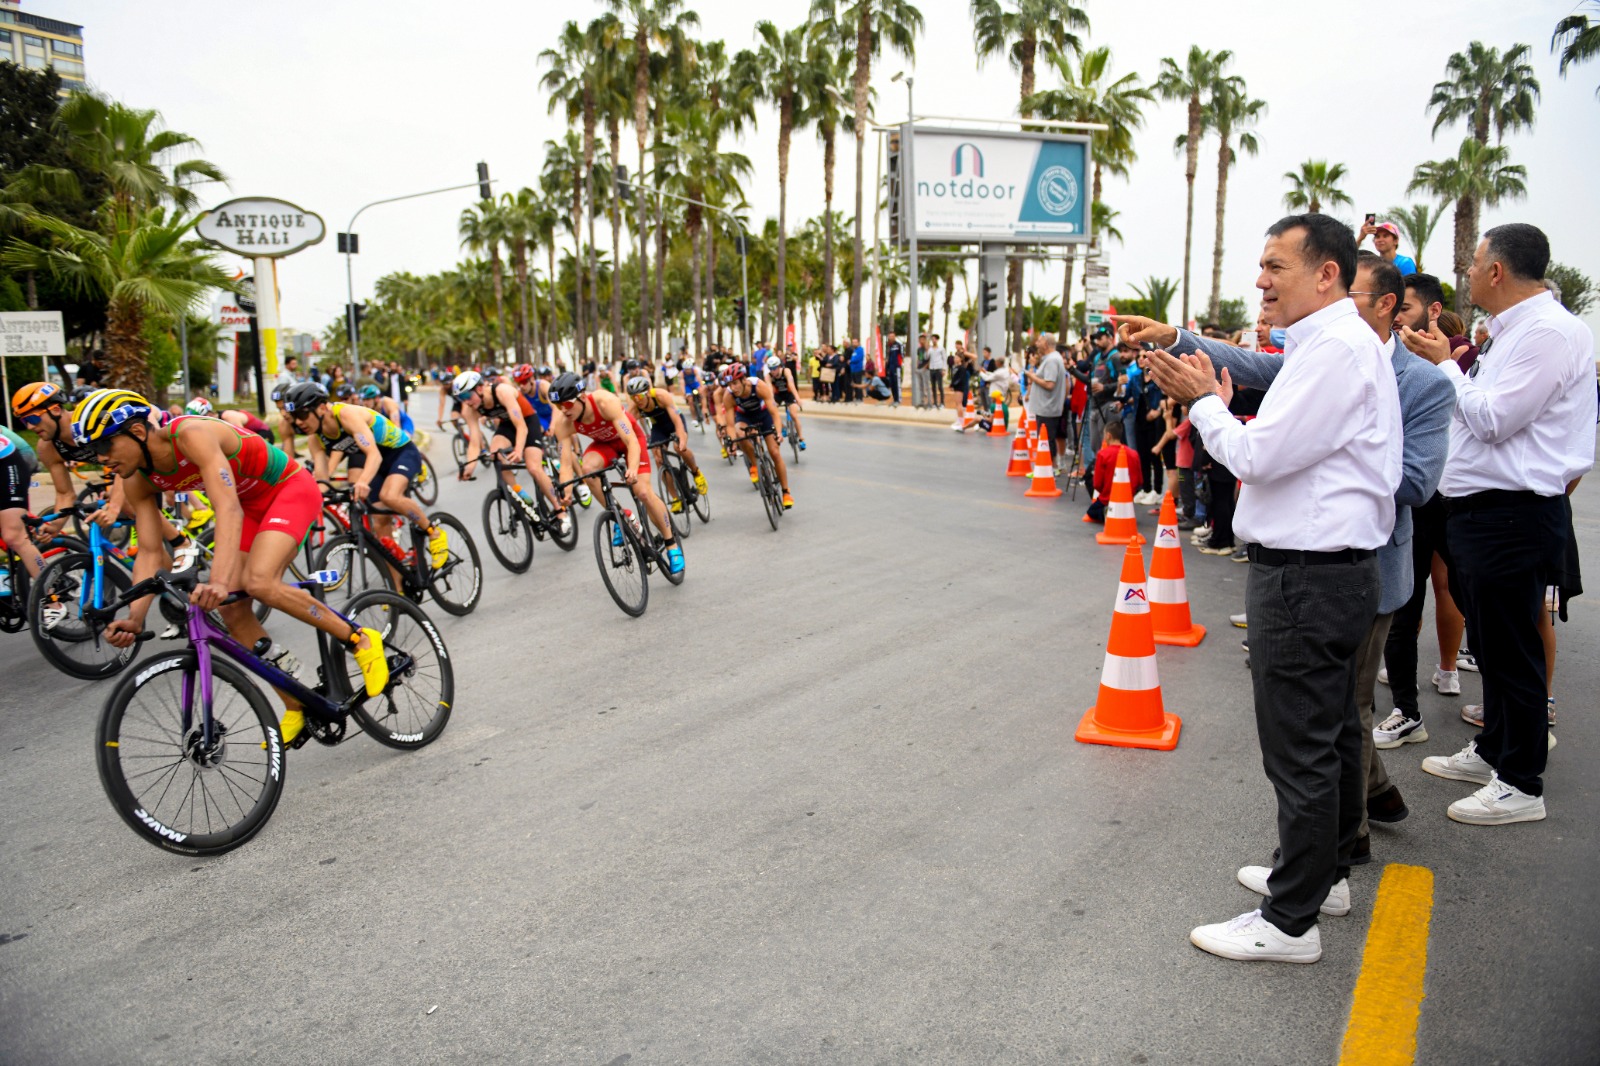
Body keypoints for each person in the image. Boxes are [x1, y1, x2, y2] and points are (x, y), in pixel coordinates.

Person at [1141, 213, 1401, 964]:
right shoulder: (1333, 344)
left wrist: (1203, 403)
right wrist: (1198, 372)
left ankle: (1290, 922)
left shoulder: (1337, 350)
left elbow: (1259, 455)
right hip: (1331, 571)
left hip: (1308, 577)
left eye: (1274, 266)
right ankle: (1325, 876)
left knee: (1301, 750)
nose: (1260, 281)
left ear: (1326, 274)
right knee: (1333, 735)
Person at [1399, 223, 1596, 825]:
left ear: (1498, 271)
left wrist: (1446, 367)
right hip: (1482, 513)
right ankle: (1495, 752)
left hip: (1513, 513)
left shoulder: (1550, 333)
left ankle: (1521, 782)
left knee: (1513, 651)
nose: (1469, 272)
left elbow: (1492, 420)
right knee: (1493, 644)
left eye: (1476, 261)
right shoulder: (1511, 332)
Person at [78, 389, 389, 746]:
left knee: (259, 582)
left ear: (135, 432)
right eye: (93, 453)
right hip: (251, 507)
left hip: (286, 489)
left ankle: (360, 638)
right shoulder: (136, 478)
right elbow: (149, 551)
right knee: (232, 612)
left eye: (105, 447)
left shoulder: (189, 434)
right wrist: (135, 618)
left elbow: (227, 510)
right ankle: (296, 704)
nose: (102, 460)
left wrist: (220, 581)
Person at [283, 382, 448, 570]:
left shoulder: (345, 415)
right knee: (380, 524)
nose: (298, 422)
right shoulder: (315, 439)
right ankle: (398, 592)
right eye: (294, 417)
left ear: (321, 408)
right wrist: (316, 498)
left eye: (302, 415)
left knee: (390, 495)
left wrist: (362, 482)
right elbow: (322, 478)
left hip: (399, 452)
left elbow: (373, 455)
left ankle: (433, 532)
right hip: (378, 463)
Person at [548, 372, 683, 576]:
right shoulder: (563, 423)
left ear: (582, 396)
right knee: (586, 469)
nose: (563, 411)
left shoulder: (605, 402)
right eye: (558, 407)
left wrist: (632, 468)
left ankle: (671, 544)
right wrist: (566, 492)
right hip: (604, 445)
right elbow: (566, 465)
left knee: (643, 493)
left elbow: (631, 442)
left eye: (566, 405)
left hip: (630, 440)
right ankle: (621, 515)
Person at [719, 361, 793, 509]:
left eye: (735, 383)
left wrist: (778, 432)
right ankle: (754, 464)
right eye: (729, 385)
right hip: (745, 418)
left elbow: (774, 413)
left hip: (764, 416)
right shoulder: (729, 396)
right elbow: (731, 425)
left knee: (774, 452)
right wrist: (733, 443)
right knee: (741, 434)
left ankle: (786, 492)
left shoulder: (758, 386)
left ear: (743, 380)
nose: (732, 388)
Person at [1022, 332, 1067, 470]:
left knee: (1047, 440)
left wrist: (1032, 376)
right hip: (1045, 407)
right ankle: (1048, 468)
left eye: (1039, 341)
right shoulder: (1050, 358)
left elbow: (1049, 384)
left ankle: (1051, 468)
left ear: (1046, 344)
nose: (1036, 344)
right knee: (1046, 439)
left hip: (1047, 408)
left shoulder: (1052, 360)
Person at [1085, 421, 1140, 522]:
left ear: (1108, 435)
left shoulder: (1103, 454)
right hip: (1127, 498)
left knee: (1091, 511)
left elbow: (1097, 483)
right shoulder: (1133, 453)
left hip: (1108, 497)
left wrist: (1104, 493)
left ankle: (1106, 513)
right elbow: (1139, 480)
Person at [763, 352, 806, 451]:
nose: (773, 371)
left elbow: (791, 385)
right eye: (770, 369)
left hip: (789, 394)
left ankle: (801, 439)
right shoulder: (768, 376)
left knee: (794, 415)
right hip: (778, 395)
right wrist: (772, 402)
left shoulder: (786, 371)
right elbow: (769, 390)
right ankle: (783, 427)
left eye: (774, 368)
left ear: (779, 366)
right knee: (770, 411)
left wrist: (798, 398)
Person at [883, 331, 903, 406]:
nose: (891, 338)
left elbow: (902, 356)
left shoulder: (898, 345)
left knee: (897, 384)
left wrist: (898, 366)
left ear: (895, 337)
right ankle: (895, 399)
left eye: (892, 336)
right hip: (890, 368)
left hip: (896, 368)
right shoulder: (889, 346)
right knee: (892, 384)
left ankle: (898, 400)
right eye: (889, 336)